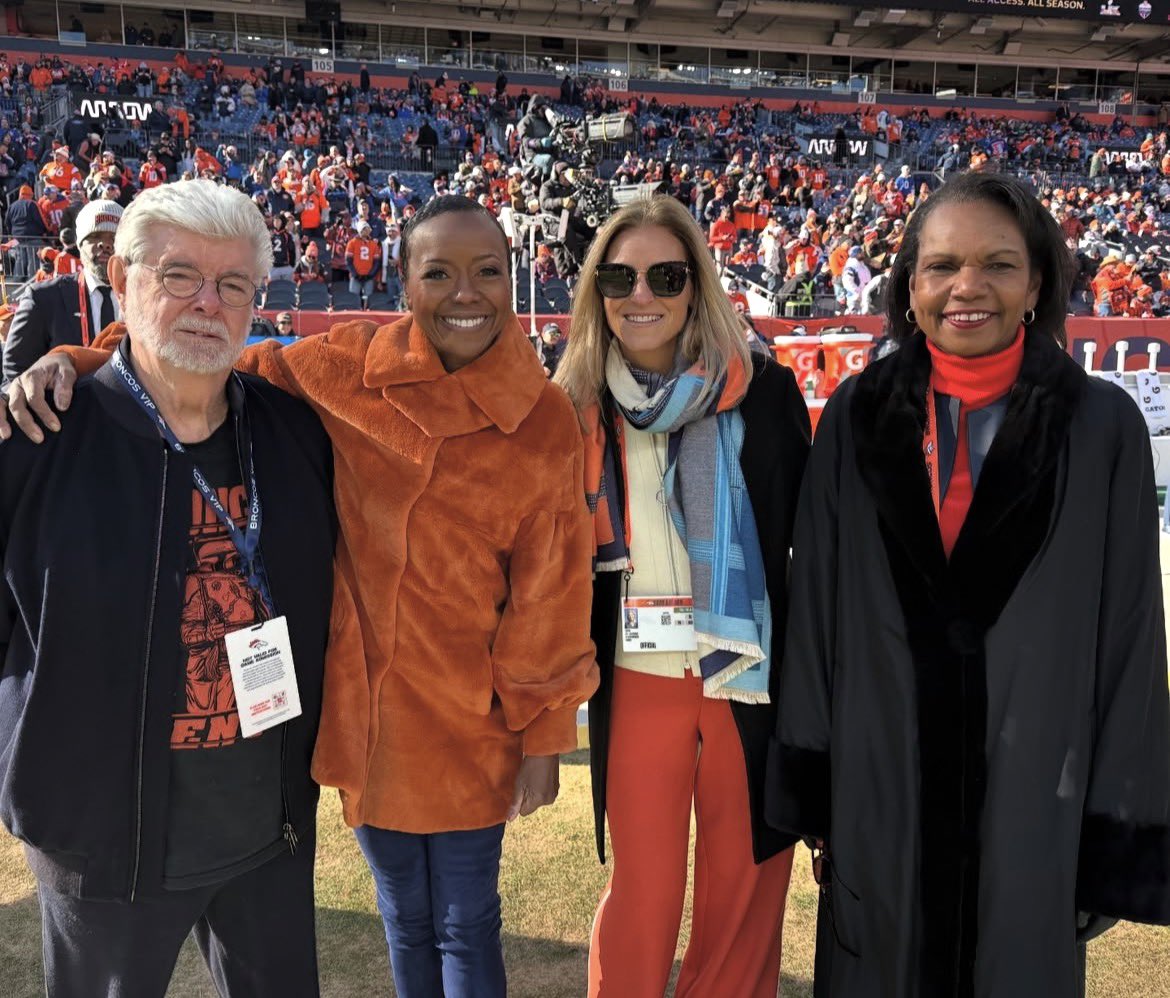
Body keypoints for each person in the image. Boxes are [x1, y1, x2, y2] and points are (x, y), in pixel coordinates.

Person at [7, 195, 599, 998]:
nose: (467, 292)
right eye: (439, 272)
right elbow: (175, 357)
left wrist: (542, 733)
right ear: (403, 284)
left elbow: (552, 592)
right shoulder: (341, 371)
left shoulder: (522, 420)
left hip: (387, 767)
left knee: (464, 922)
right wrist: (79, 361)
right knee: (406, 918)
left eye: (488, 271)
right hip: (256, 774)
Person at [766, 171, 1170, 997]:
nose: (967, 287)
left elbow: (1130, 640)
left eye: (998, 263)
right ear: (909, 283)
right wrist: (815, 790)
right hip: (881, 791)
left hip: (1036, 802)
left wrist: (1111, 833)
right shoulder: (854, 416)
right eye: (942, 264)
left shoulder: (1103, 429)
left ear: (1037, 282)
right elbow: (816, 617)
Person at [0, 180, 335, 995]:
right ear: (122, 280)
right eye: (179, 276)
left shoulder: (294, 431)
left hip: (271, 826)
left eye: (233, 286)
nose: (207, 305)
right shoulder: (37, 438)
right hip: (102, 835)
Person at [553, 195, 810, 998]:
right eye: (620, 277)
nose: (642, 295)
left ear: (697, 284)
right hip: (639, 682)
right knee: (644, 895)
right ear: (595, 290)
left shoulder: (764, 392)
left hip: (745, 678)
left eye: (666, 275)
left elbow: (807, 548)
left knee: (743, 896)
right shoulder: (575, 404)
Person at [2, 198, 123, 387]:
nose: (105, 244)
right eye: (95, 236)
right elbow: (16, 369)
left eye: (114, 238)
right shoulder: (44, 297)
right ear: (79, 244)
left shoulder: (145, 298)